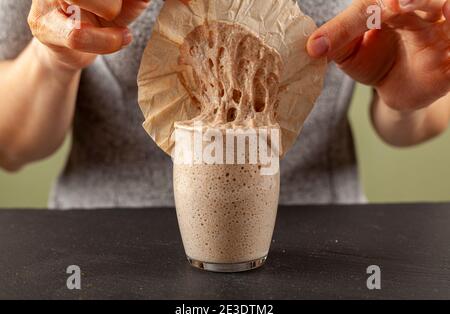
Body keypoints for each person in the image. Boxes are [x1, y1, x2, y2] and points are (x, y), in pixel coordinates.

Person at [0, 0, 448, 208]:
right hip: (106, 255)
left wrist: (403, 94)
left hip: (322, 255)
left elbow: (411, 123)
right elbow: (10, 143)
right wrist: (56, 57)